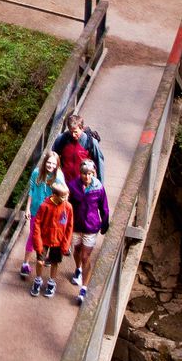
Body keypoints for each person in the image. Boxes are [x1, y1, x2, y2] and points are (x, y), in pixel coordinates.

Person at [70, 159, 110, 305]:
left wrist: (105, 223)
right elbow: (67, 204)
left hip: (91, 227)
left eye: (90, 174)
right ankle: (78, 269)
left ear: (94, 173)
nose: (87, 177)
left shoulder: (98, 188)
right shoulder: (72, 185)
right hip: (76, 225)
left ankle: (84, 288)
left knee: (85, 256)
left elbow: (104, 207)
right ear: (80, 173)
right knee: (77, 250)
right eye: (84, 173)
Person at [28, 184, 73, 299]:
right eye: (62, 197)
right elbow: (37, 224)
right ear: (54, 195)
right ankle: (38, 279)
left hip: (58, 240)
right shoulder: (44, 206)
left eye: (66, 196)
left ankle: (51, 282)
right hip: (44, 239)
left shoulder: (68, 207)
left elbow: (69, 226)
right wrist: (38, 242)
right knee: (40, 262)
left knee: (54, 262)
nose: (65, 199)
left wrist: (66, 243)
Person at [20, 151, 60, 278]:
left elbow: (64, 194)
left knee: (46, 236)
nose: (50, 165)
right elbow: (31, 190)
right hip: (35, 209)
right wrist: (27, 208)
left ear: (57, 165)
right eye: (49, 162)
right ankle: (25, 263)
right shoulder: (36, 173)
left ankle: (42, 258)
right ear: (45, 162)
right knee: (33, 235)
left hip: (50, 212)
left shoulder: (58, 177)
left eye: (53, 163)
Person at [53, 115, 105, 200]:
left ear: (81, 128)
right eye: (71, 132)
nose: (73, 135)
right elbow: (53, 158)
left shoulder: (91, 142)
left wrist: (100, 187)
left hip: (84, 186)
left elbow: (99, 164)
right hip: (65, 185)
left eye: (75, 132)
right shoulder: (62, 139)